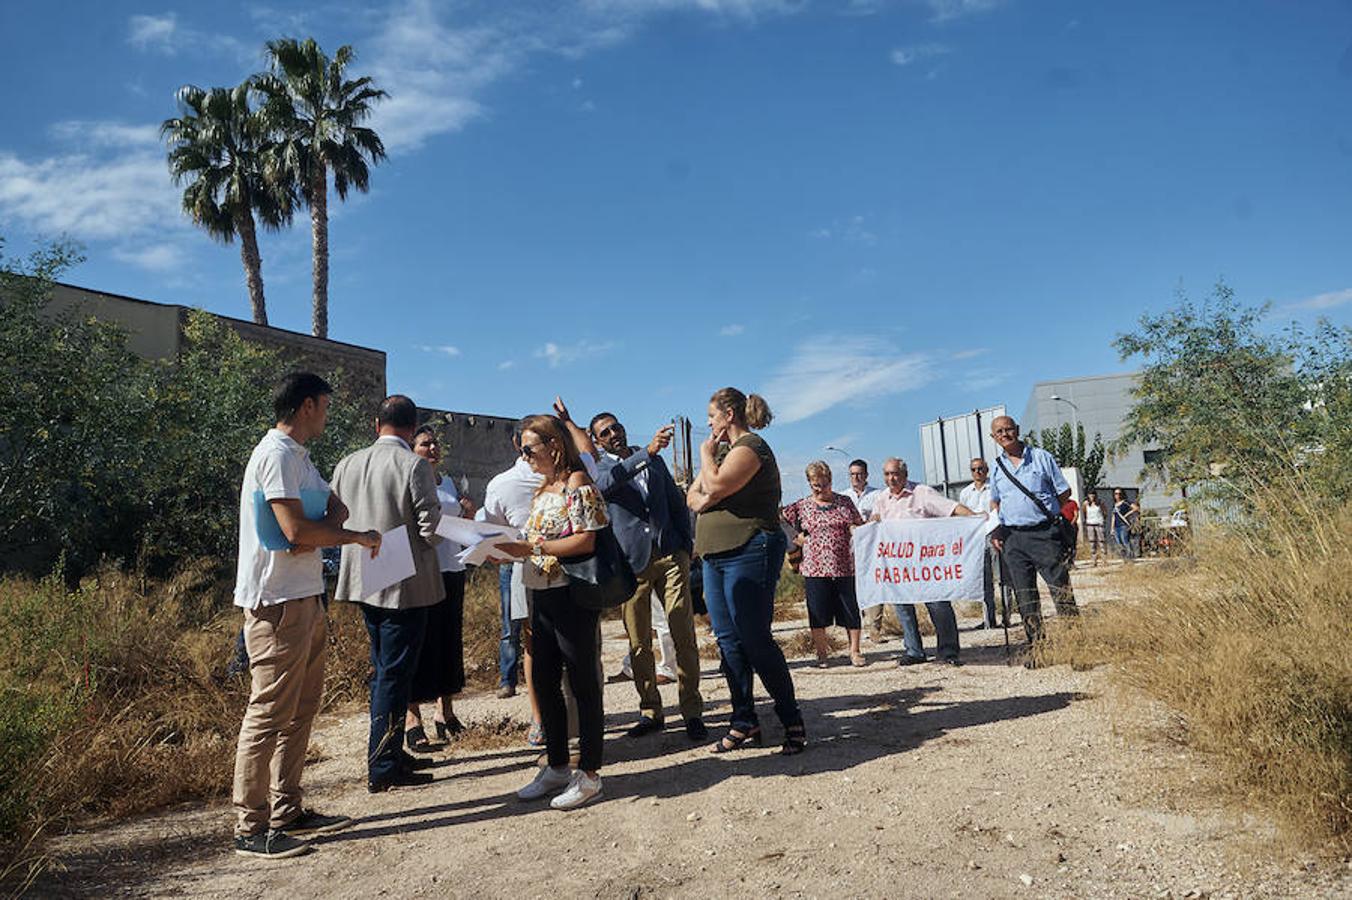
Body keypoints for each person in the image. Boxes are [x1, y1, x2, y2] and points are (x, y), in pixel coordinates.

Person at [231, 372, 381, 859]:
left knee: (300, 710)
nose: (329, 414)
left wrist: (323, 526)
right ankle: (250, 828)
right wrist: (351, 536)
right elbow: (295, 529)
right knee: (269, 711)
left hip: (304, 595)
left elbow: (331, 507)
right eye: (326, 406)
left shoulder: (300, 458)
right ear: (309, 406)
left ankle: (287, 809)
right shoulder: (275, 455)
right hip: (276, 601)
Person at [331, 395, 444, 793]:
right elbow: (430, 529)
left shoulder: (347, 463)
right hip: (403, 581)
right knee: (394, 674)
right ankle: (382, 765)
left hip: (364, 575)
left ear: (376, 424)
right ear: (413, 428)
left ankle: (393, 752)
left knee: (385, 669)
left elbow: (336, 517)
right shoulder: (413, 465)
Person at [495, 415, 609, 810]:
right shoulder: (545, 486)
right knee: (543, 680)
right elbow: (537, 538)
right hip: (538, 592)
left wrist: (532, 549)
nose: (524, 457)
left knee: (582, 682)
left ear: (554, 446)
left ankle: (590, 773)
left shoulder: (578, 483)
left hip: (571, 594)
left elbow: (586, 540)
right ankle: (557, 764)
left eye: (530, 449)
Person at [687, 388, 806, 756]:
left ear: (729, 413)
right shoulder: (723, 453)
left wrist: (708, 467)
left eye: (711, 415)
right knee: (727, 640)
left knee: (755, 638)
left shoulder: (752, 447)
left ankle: (791, 720)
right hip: (714, 557)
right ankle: (744, 721)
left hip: (751, 549)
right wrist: (709, 491)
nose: (708, 423)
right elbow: (693, 497)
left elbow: (716, 485)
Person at [589, 410, 707, 741]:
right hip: (632, 564)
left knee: (682, 631)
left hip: (670, 555)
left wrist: (684, 543)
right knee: (639, 642)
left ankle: (692, 711)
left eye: (616, 427)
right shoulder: (600, 468)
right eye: (605, 432)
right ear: (598, 441)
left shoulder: (654, 462)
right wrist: (648, 453)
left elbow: (674, 499)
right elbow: (606, 486)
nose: (613, 434)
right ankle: (650, 711)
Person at [404, 424, 477, 751]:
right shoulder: (408, 479)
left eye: (434, 444)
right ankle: (412, 719)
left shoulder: (447, 483)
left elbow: (461, 528)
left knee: (449, 642)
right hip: (421, 573)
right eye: (424, 444)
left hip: (451, 569)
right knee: (419, 644)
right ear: (411, 448)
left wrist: (470, 514)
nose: (432, 448)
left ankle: (444, 712)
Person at [988, 415, 1079, 659]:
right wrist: (997, 529)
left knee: (1061, 590)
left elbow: (1064, 493)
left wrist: (1045, 515)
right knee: (1025, 595)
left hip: (1044, 534)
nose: (1005, 434)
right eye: (999, 432)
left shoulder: (1041, 457)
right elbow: (996, 501)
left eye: (1008, 429)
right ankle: (1038, 648)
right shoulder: (996, 466)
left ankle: (1078, 648)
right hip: (1013, 539)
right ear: (993, 437)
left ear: (1017, 430)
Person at [870, 458, 974, 666]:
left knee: (938, 606)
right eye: (887, 474)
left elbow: (951, 508)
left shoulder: (922, 493)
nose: (892, 478)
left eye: (896, 473)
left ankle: (948, 651)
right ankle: (914, 651)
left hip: (926, 563)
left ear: (905, 474)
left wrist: (974, 517)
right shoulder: (882, 499)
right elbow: (875, 521)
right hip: (898, 564)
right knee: (903, 609)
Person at [781, 461, 866, 668]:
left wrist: (855, 529)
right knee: (817, 612)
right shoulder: (801, 506)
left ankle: (854, 651)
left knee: (850, 610)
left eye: (824, 484)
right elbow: (779, 519)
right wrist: (795, 537)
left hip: (844, 565)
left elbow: (858, 523)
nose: (820, 489)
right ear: (809, 484)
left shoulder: (845, 502)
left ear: (831, 481)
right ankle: (822, 654)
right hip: (814, 568)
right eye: (815, 485)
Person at [843, 459, 887, 644]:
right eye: (853, 474)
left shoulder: (878, 495)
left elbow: (879, 517)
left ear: (866, 475)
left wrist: (866, 525)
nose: (856, 477)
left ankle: (875, 628)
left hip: (871, 548)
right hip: (849, 549)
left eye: (859, 473)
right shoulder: (843, 497)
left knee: (874, 585)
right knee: (853, 588)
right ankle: (856, 629)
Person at [958, 457, 998, 628]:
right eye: (974, 469)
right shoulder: (965, 493)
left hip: (995, 535)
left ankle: (1007, 617)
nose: (978, 472)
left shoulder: (995, 487)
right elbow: (961, 516)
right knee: (984, 581)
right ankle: (989, 620)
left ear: (986, 470)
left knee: (1003, 578)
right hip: (976, 540)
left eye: (981, 469)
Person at [1082, 490, 1106, 566]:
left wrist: (1102, 520)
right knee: (1092, 542)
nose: (1092, 496)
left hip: (1099, 523)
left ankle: (1104, 559)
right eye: (1090, 494)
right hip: (1090, 523)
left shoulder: (1100, 503)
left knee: (1101, 541)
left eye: (1093, 494)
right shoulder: (1085, 503)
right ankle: (1094, 560)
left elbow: (1105, 511)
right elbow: (1084, 512)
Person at [1112, 488, 1135, 561]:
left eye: (1119, 493)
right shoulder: (1115, 505)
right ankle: (1124, 558)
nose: (1117, 495)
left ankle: (1130, 558)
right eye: (1116, 493)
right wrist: (1112, 528)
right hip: (1116, 526)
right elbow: (1113, 516)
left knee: (1125, 542)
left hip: (1123, 525)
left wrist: (1127, 514)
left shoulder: (1125, 502)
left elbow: (1136, 508)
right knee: (1119, 544)